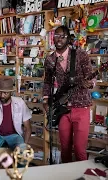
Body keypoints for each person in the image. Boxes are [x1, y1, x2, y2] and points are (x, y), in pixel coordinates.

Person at [42, 26, 95, 163]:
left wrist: (89, 83)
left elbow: (91, 76)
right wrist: (45, 99)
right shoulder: (50, 60)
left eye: (62, 36)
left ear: (68, 38)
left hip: (81, 107)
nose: (58, 39)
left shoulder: (80, 54)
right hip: (62, 108)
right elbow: (47, 82)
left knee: (79, 149)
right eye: (56, 35)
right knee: (64, 148)